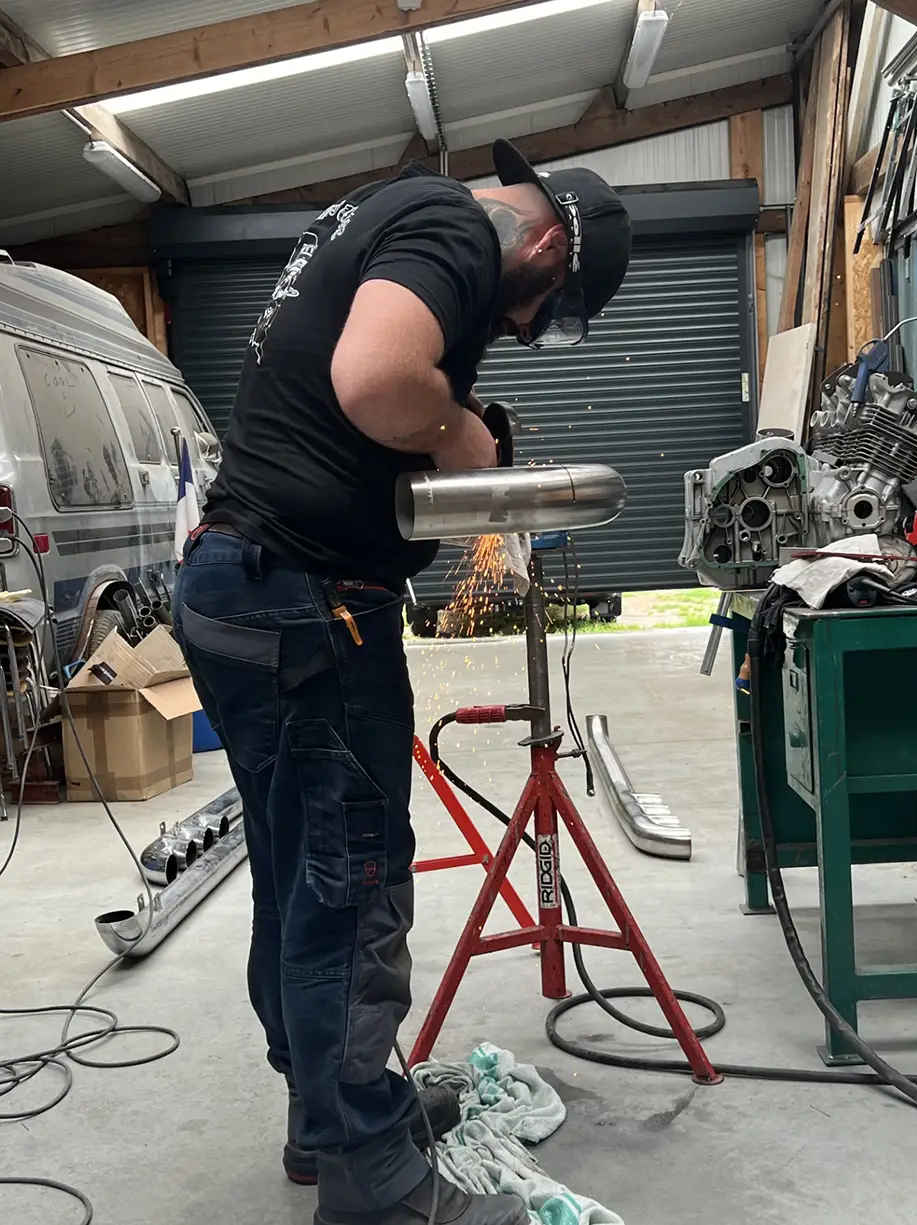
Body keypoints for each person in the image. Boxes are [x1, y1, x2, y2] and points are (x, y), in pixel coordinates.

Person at [172, 139, 631, 1225]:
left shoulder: (379, 214)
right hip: (309, 603)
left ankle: (325, 1114)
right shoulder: (455, 227)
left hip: (239, 583)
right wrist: (467, 436)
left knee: (298, 871)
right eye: (544, 317)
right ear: (549, 248)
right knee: (353, 882)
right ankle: (374, 1181)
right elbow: (378, 381)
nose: (520, 333)